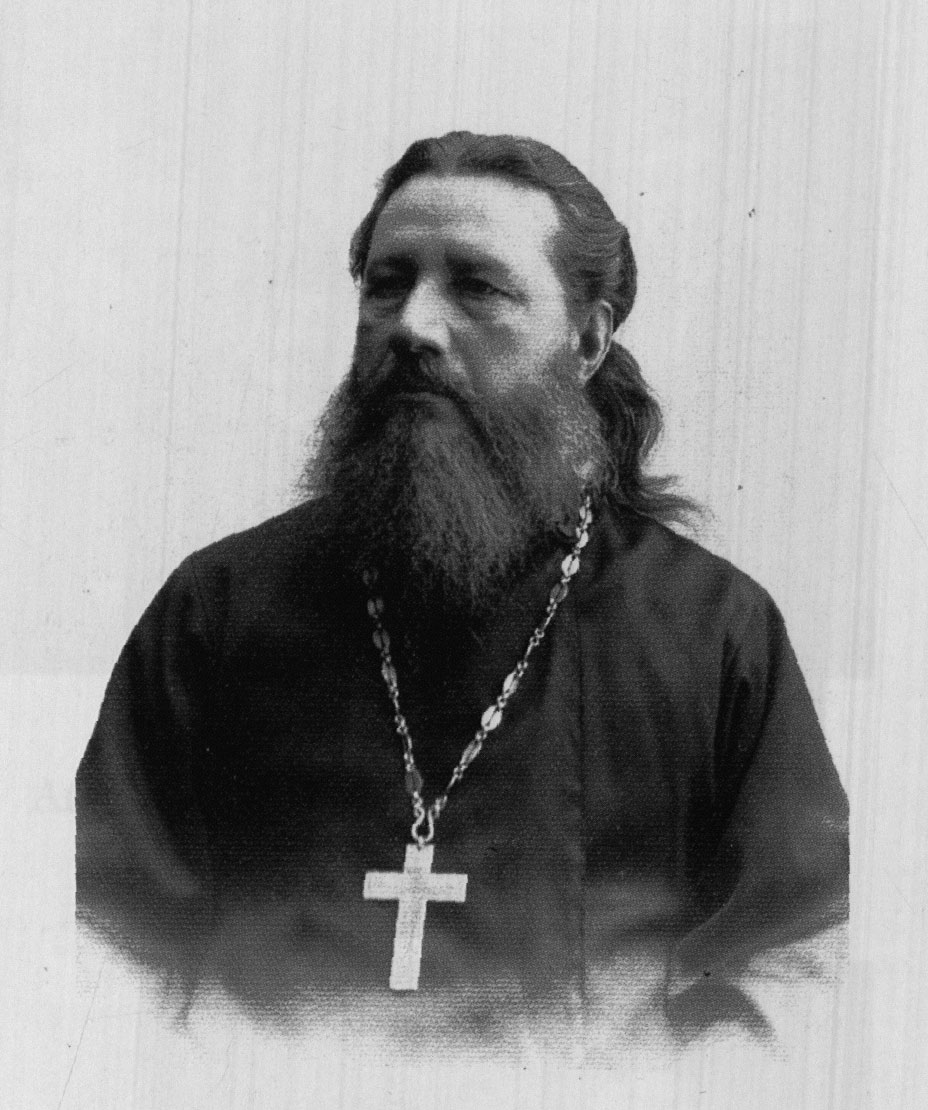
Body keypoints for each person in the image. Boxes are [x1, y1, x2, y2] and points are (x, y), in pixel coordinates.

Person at [76, 131, 848, 1059]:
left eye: (476, 287)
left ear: (588, 340)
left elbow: (793, 959)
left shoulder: (711, 629)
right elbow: (97, 946)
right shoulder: (219, 608)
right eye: (387, 283)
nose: (413, 325)